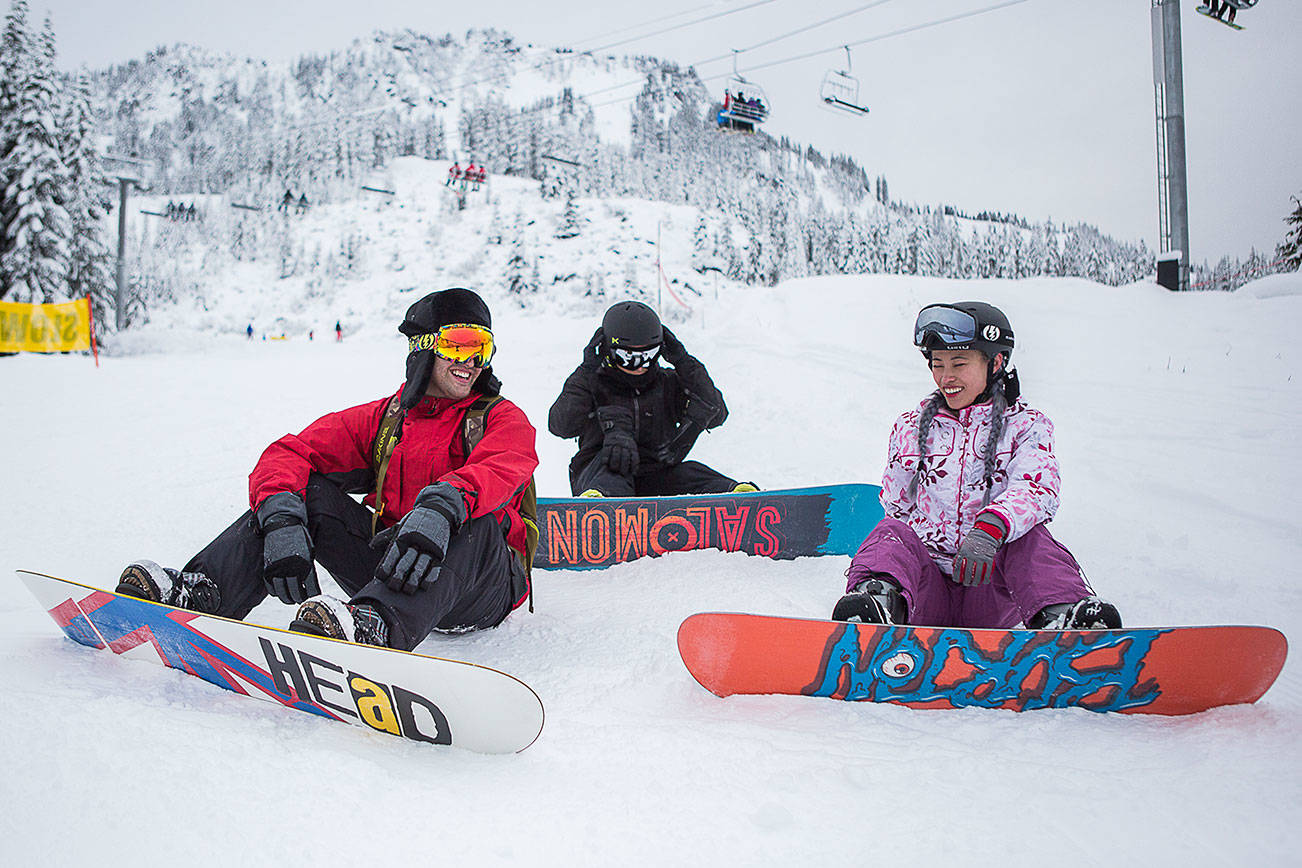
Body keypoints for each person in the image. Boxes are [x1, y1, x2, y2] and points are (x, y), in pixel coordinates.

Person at [115, 288, 539, 650]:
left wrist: (444, 508)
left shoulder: (501, 418)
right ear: (423, 347)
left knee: (474, 519)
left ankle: (372, 627)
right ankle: (201, 594)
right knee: (307, 494)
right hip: (400, 570)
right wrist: (281, 521)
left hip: (482, 589)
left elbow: (502, 465)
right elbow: (290, 452)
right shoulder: (386, 420)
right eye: (459, 345)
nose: (471, 361)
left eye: (481, 348)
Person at [832, 301, 1121, 631]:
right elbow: (896, 508)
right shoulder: (911, 427)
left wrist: (992, 527)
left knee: (1030, 538)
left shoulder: (1026, 426)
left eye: (959, 363)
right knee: (890, 533)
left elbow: (1037, 488)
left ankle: (1061, 617)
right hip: (925, 594)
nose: (946, 376)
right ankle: (878, 606)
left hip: (991, 593)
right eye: (937, 364)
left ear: (996, 362)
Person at [548, 300, 754, 497]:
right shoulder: (592, 383)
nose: (640, 365)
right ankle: (599, 505)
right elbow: (560, 426)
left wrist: (683, 362)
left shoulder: (668, 383)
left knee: (692, 472)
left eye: (649, 355)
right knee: (610, 469)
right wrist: (586, 371)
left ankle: (739, 500)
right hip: (601, 476)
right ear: (608, 351)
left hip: (657, 476)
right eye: (628, 357)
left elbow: (716, 412)